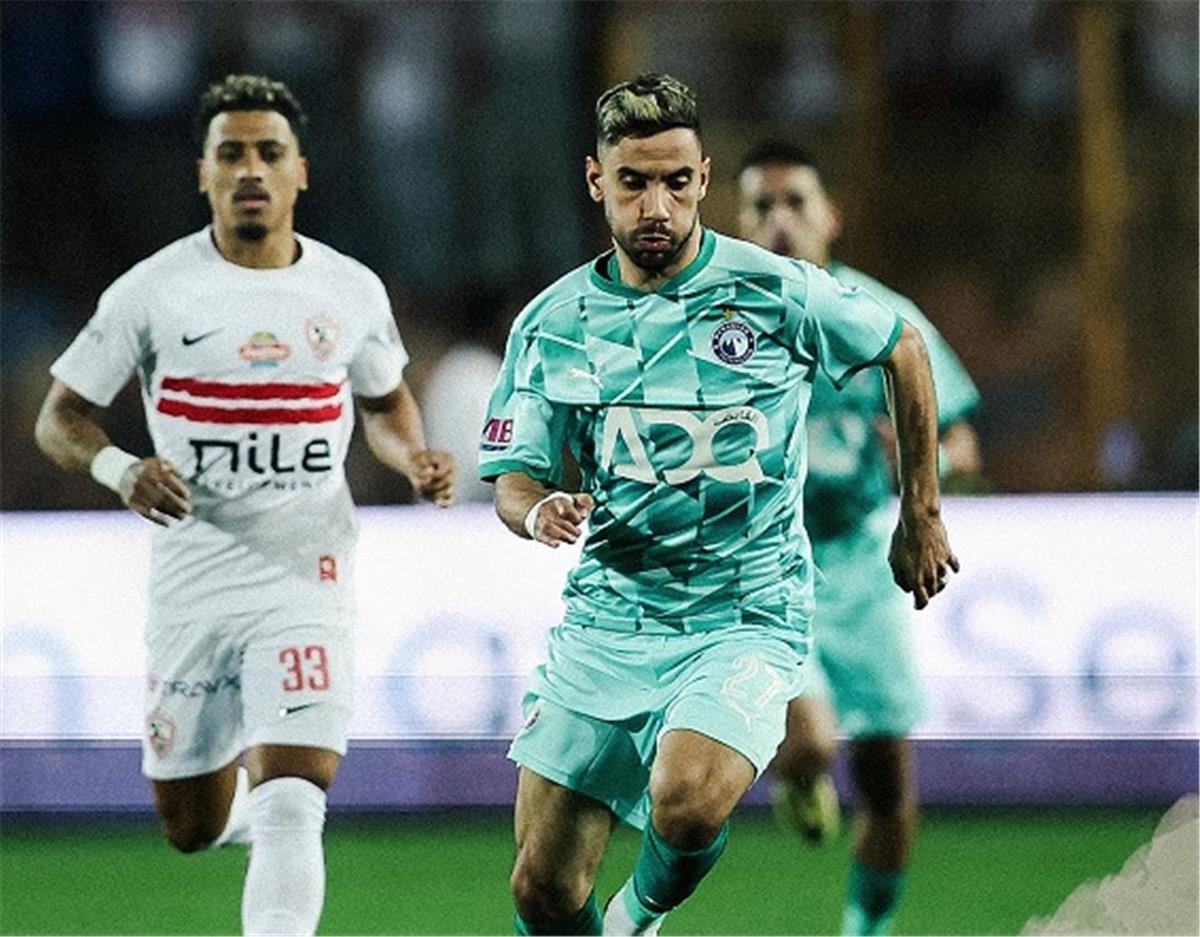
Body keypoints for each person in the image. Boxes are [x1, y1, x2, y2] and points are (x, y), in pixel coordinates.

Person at [478, 73, 958, 937]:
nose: (655, 205)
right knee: (540, 889)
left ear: (702, 179)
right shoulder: (553, 323)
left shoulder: (774, 290)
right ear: (596, 180)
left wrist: (919, 511)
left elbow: (904, 346)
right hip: (611, 618)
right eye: (633, 183)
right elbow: (513, 475)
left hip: (745, 611)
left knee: (690, 801)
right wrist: (535, 509)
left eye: (675, 182)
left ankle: (639, 915)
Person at [34, 74, 454, 936]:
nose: (251, 169)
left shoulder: (350, 290)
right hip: (193, 578)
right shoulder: (152, 291)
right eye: (232, 154)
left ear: (301, 172)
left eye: (270, 152)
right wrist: (121, 468)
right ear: (204, 174)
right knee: (189, 824)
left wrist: (412, 456)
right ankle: (243, 820)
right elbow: (59, 417)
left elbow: (386, 403)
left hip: (307, 571)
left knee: (294, 793)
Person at [737, 140, 981, 936]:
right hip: (764, 566)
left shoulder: (881, 318)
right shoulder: (721, 319)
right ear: (738, 223)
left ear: (830, 216)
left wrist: (926, 465)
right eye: (762, 206)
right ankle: (800, 768)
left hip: (860, 563)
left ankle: (865, 929)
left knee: (889, 787)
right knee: (808, 740)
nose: (780, 220)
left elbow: (962, 443)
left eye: (796, 203)